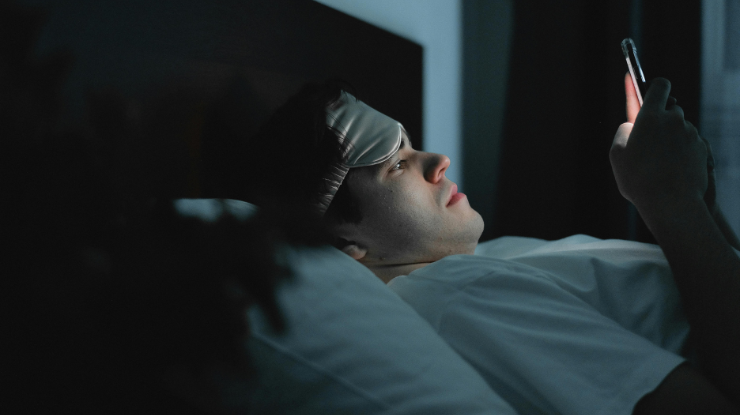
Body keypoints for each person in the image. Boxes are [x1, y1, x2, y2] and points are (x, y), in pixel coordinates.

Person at [229, 77, 740, 414]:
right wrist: (671, 200)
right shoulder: (452, 295)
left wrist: (698, 200)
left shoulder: (490, 256)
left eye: (410, 144)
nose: (438, 161)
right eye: (397, 165)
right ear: (346, 242)